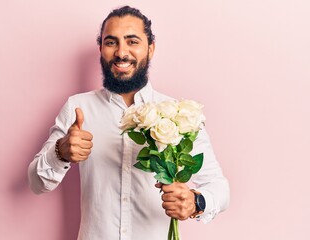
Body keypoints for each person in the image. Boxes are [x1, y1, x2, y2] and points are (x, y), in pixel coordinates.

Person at [28, 5, 230, 240]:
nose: (121, 52)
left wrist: (196, 201)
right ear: (101, 49)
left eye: (132, 41)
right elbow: (35, 183)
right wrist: (59, 153)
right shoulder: (78, 108)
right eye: (111, 42)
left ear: (150, 48)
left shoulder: (180, 114)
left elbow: (220, 188)